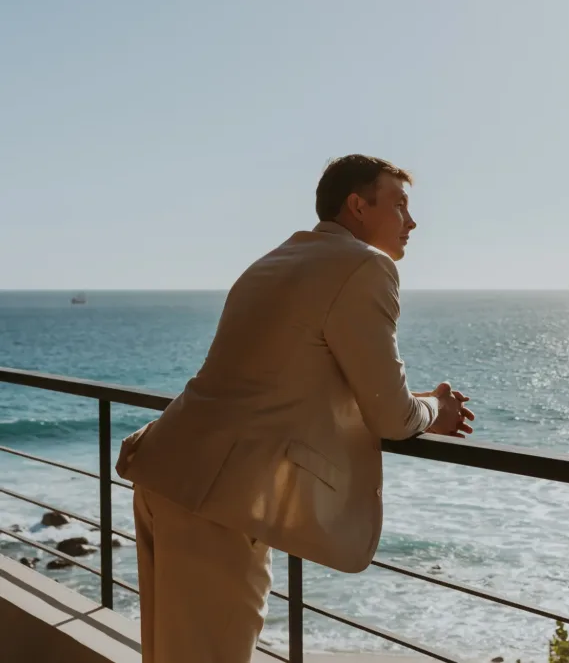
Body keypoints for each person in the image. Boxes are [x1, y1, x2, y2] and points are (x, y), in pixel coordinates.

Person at [115, 154, 474, 663]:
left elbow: (293, 375)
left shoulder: (275, 260)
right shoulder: (368, 266)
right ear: (357, 205)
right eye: (399, 206)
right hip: (218, 503)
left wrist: (413, 402)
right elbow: (391, 418)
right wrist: (435, 409)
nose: (412, 222)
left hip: (167, 469)